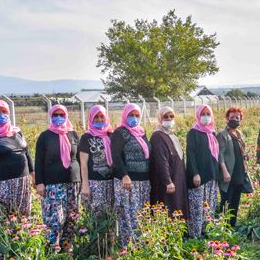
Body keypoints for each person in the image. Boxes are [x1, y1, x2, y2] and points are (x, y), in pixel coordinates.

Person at [34, 105, 80, 252]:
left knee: (72, 215)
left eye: (61, 114)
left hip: (73, 182)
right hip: (53, 183)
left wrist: (83, 181)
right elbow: (38, 161)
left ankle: (67, 246)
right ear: (51, 116)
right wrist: (39, 183)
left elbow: (79, 158)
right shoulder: (45, 136)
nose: (59, 117)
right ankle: (52, 248)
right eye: (56, 114)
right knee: (55, 217)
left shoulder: (73, 134)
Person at [111, 103, 151, 244]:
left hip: (143, 181)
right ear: (125, 116)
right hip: (128, 181)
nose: (134, 118)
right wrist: (124, 175)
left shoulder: (141, 132)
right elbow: (116, 156)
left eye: (136, 115)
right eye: (131, 115)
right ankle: (127, 245)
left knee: (141, 214)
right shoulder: (119, 132)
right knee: (129, 214)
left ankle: (141, 244)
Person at [186, 105, 220, 238]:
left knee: (209, 204)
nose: (206, 117)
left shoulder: (212, 132)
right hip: (199, 177)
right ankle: (195, 234)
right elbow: (191, 154)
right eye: (203, 114)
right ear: (198, 116)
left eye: (208, 114)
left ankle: (207, 231)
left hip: (212, 175)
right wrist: (195, 173)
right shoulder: (193, 133)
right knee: (197, 205)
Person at [150, 106, 189, 218]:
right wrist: (168, 181)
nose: (169, 119)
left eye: (171, 116)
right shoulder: (158, 136)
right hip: (167, 181)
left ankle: (179, 233)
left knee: (177, 205)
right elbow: (161, 160)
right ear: (160, 118)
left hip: (177, 177)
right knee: (167, 207)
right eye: (165, 117)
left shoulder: (171, 134)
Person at [217, 107, 253, 227]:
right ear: (227, 119)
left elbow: (240, 150)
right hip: (228, 172)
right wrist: (225, 171)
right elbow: (220, 154)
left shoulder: (239, 133)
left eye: (237, 118)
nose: (234, 119)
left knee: (236, 200)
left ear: (241, 119)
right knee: (226, 200)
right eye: (232, 117)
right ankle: (223, 225)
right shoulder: (222, 134)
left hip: (239, 171)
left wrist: (245, 156)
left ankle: (232, 225)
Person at [79, 105, 114, 219]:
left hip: (111, 183)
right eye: (96, 117)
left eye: (102, 116)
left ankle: (109, 238)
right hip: (95, 183)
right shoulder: (86, 137)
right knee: (96, 216)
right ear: (91, 118)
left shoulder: (111, 135)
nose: (99, 119)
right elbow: (83, 164)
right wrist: (85, 185)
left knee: (111, 216)